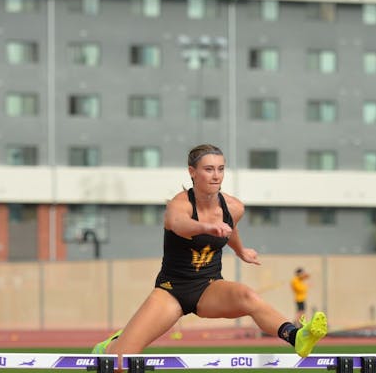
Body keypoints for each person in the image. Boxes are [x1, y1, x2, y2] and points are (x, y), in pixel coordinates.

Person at [92, 144, 327, 358]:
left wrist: (241, 251)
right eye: (208, 169)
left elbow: (230, 229)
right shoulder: (180, 204)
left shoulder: (234, 207)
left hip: (209, 287)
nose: (216, 175)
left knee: (248, 297)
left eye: (221, 169)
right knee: (118, 362)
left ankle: (297, 336)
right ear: (192, 172)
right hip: (172, 290)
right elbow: (177, 223)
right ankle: (114, 343)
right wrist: (206, 226)